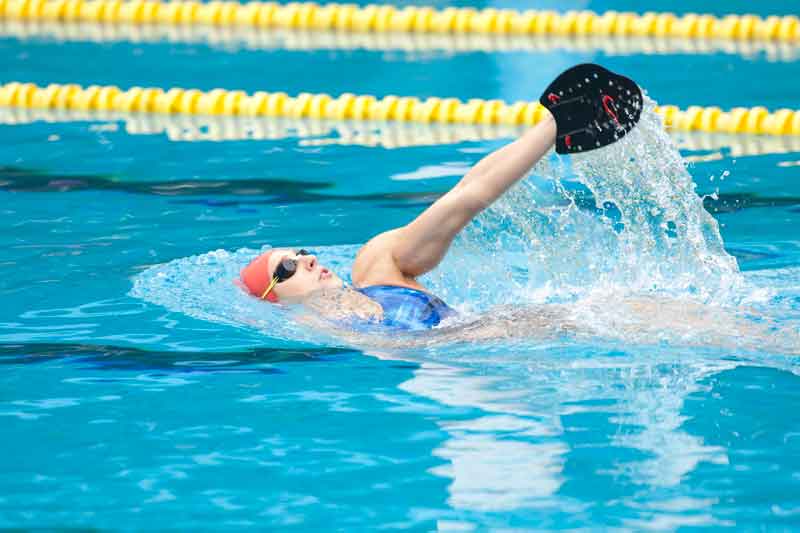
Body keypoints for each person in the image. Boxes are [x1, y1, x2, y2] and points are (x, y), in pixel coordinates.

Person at [238, 64, 643, 330]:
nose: (308, 258)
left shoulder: (377, 265)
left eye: (301, 252)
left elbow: (465, 197)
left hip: (554, 322)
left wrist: (554, 126)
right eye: (288, 267)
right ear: (274, 299)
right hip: (520, 347)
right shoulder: (320, 329)